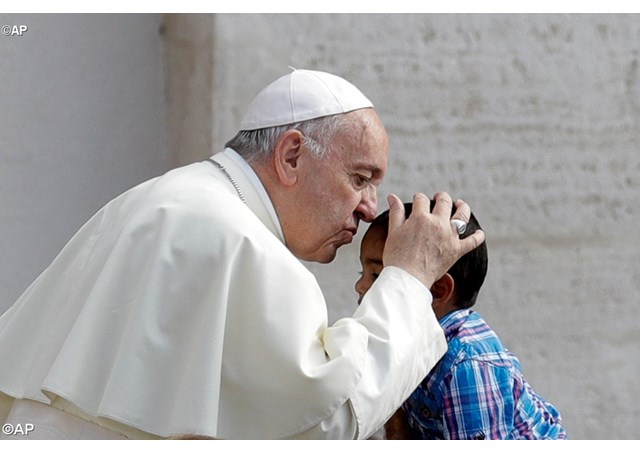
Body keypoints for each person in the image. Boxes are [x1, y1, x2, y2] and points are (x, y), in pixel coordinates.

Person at [0, 69, 483, 440]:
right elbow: (326, 420)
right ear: (291, 156)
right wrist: (407, 278)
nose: (367, 208)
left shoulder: (157, 198)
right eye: (360, 178)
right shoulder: (241, 243)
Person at [356, 202, 567, 440]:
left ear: (437, 291)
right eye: (361, 273)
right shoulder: (405, 340)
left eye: (377, 275)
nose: (360, 286)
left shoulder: (467, 365)